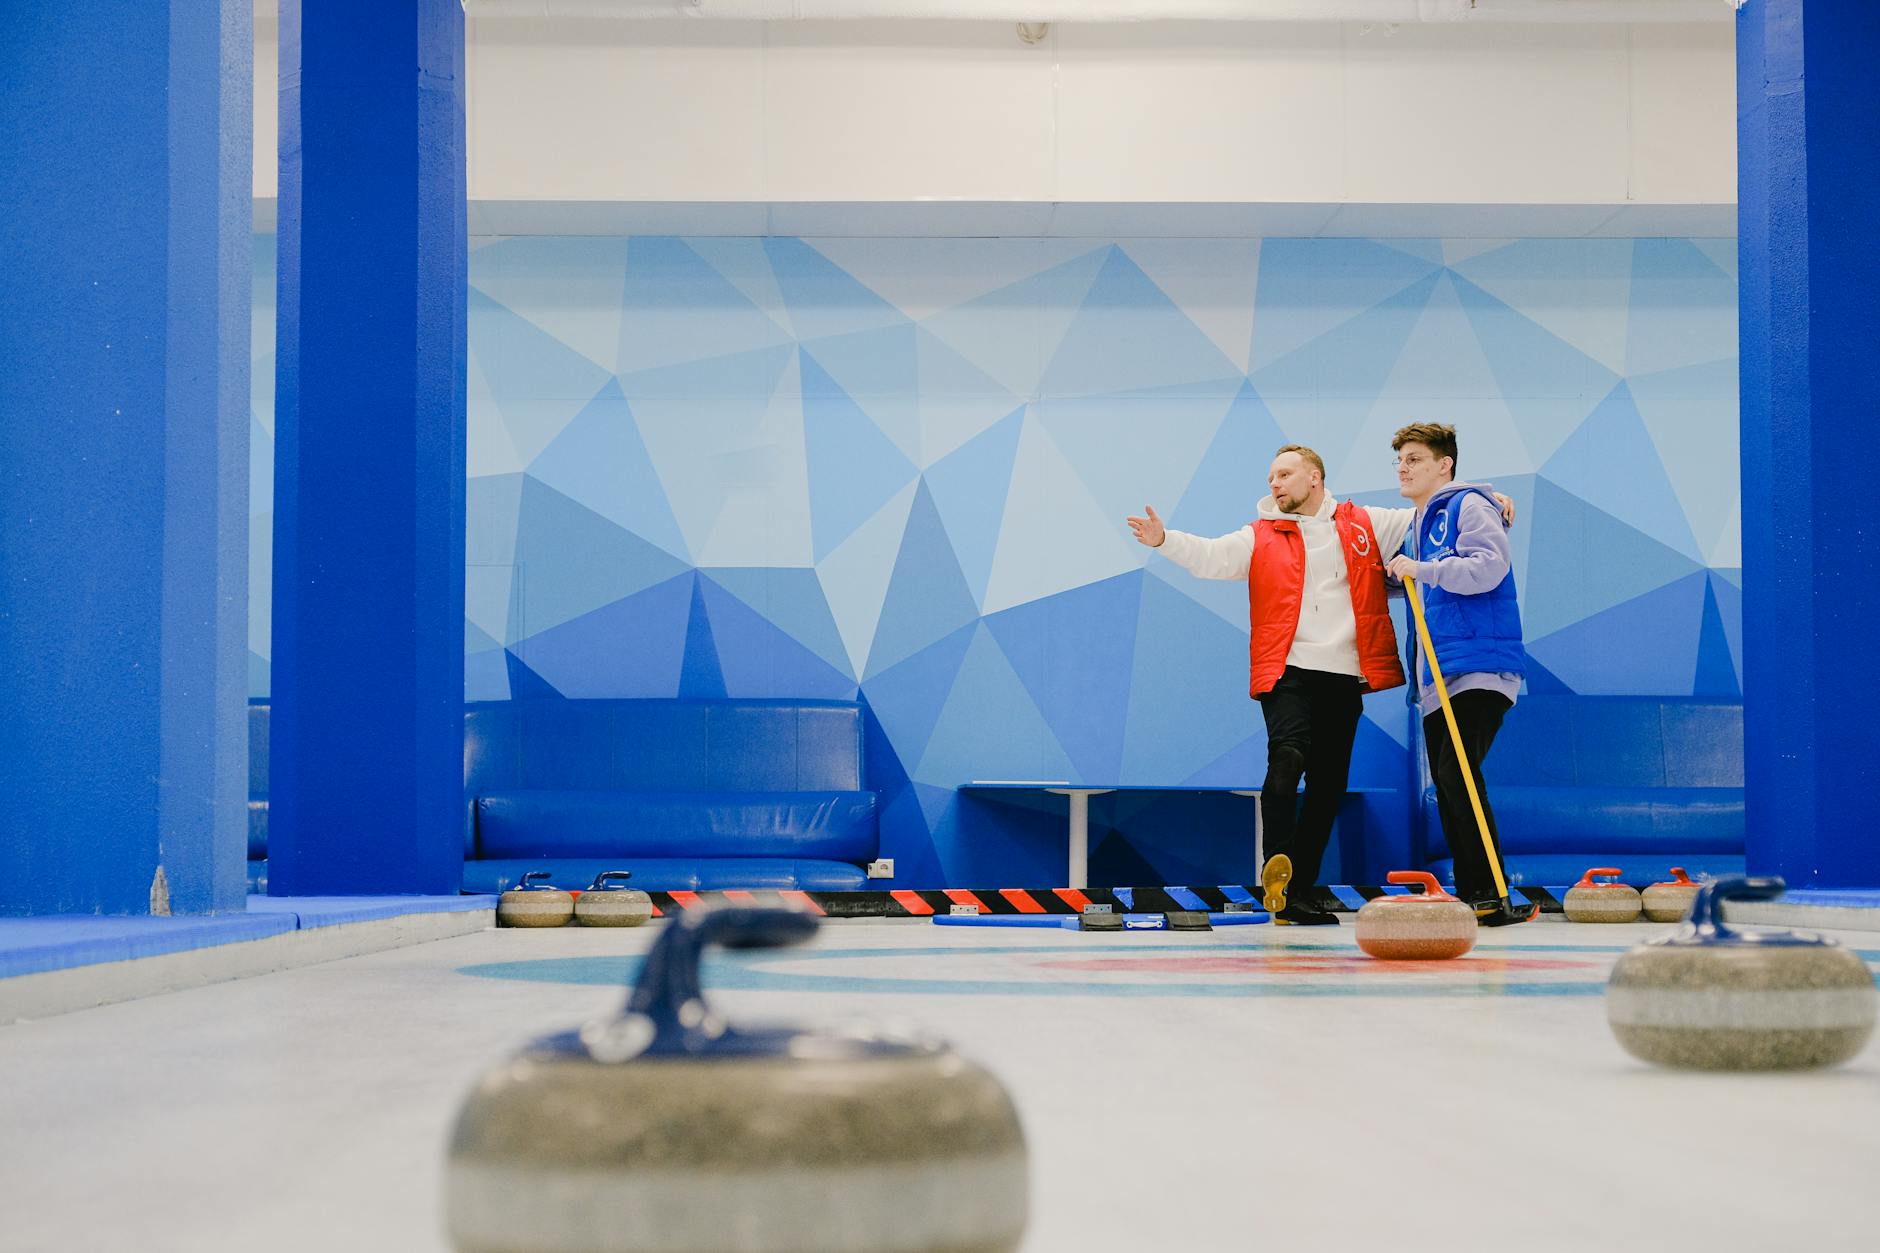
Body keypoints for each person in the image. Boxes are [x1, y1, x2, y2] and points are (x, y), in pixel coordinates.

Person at [1127, 446, 1417, 924]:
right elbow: (1210, 557)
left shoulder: (1366, 523)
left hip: (1344, 672)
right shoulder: (1259, 535)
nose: (1274, 483)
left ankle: (1294, 894)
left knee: (1328, 787)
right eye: (1270, 477)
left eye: (1284, 474)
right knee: (1287, 756)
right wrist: (1164, 540)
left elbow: (1428, 514)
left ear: (1315, 477)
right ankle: (1276, 865)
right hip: (1289, 669)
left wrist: (1487, 499)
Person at [1382, 423, 1537, 926]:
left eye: (1414, 459)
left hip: (1479, 665)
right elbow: (1416, 580)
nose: (1403, 469)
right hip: (1437, 674)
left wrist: (1421, 569)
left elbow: (1489, 567)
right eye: (1399, 461)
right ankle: (1475, 895)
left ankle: (1491, 892)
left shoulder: (1469, 506)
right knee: (1449, 785)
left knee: (1458, 774)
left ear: (1444, 464)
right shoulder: (1416, 524)